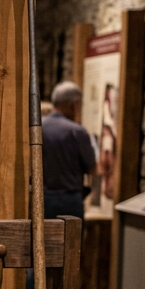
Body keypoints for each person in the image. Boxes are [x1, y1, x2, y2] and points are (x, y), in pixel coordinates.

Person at [42, 81, 97, 220]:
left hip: (40, 198)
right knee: (72, 240)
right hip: (69, 201)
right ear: (74, 104)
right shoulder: (76, 131)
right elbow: (92, 168)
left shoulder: (38, 128)